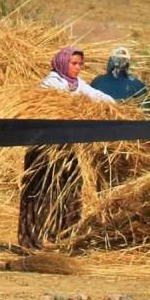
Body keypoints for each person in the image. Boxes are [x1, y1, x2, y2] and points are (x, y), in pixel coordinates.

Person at [19, 47, 115, 251]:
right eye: (74, 63)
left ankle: (63, 236)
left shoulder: (78, 84)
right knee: (41, 192)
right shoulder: (50, 84)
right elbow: (58, 107)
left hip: (67, 148)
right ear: (63, 63)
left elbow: (97, 96)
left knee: (70, 188)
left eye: (80, 64)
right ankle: (33, 240)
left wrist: (114, 106)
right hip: (44, 150)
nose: (78, 68)